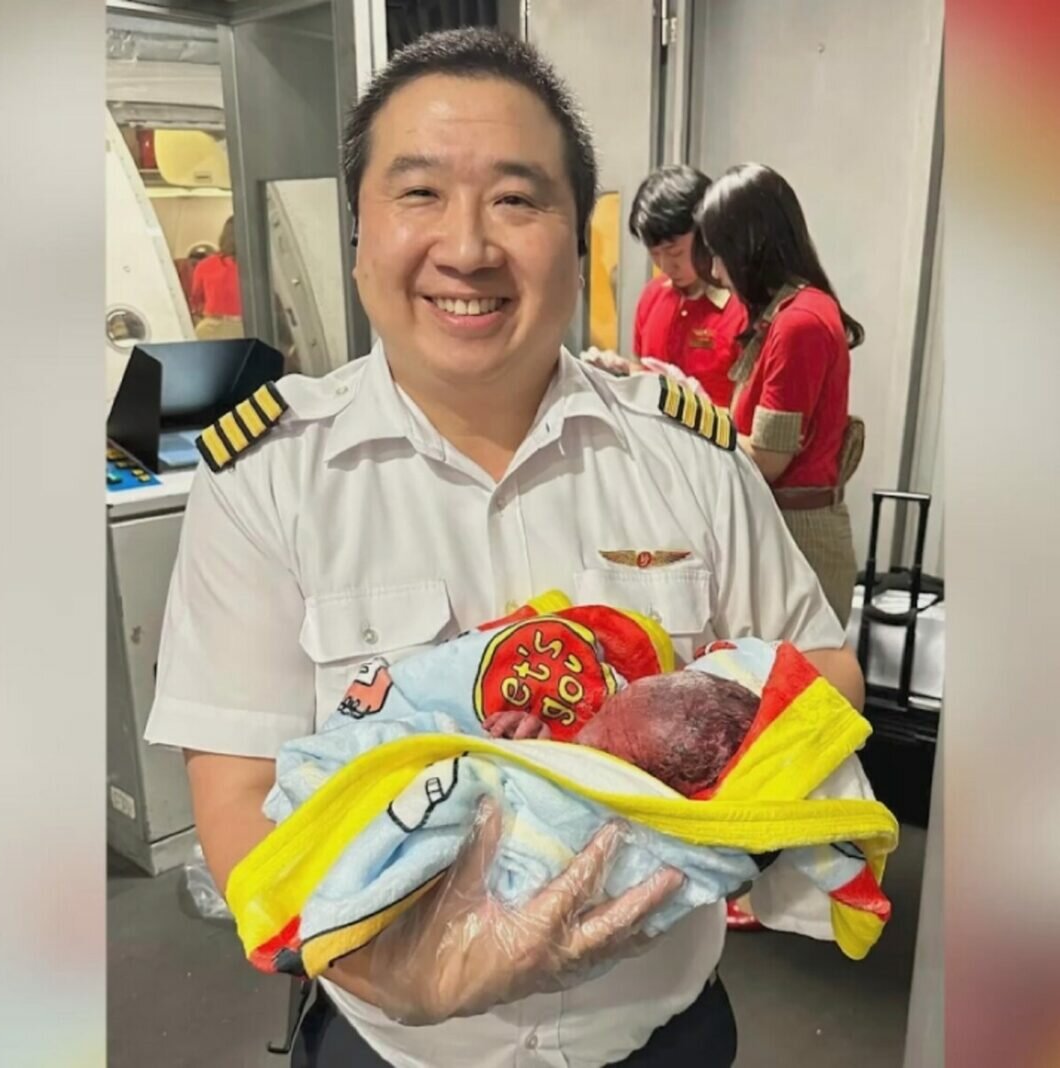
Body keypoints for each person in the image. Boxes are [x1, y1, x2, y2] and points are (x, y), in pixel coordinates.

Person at [146, 28, 866, 1068]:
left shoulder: (691, 458)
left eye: (518, 199)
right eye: (420, 193)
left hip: (662, 1039)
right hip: (390, 1047)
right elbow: (240, 802)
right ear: (358, 236)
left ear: (578, 245)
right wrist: (402, 974)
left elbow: (823, 674)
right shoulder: (266, 479)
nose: (469, 247)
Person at [696, 163, 865, 628]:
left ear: (751, 245)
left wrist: (694, 434)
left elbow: (770, 458)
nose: (716, 271)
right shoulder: (789, 313)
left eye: (719, 254)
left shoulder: (799, 323)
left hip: (799, 540)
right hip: (783, 531)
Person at [628, 165, 747, 407]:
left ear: (707, 234)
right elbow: (639, 370)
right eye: (654, 254)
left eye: (675, 252)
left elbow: (752, 420)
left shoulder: (743, 307)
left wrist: (698, 409)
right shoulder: (652, 296)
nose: (665, 266)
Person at [190, 214, 243, 339]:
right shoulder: (255, 267)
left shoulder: (205, 265)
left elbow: (196, 300)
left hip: (211, 328)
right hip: (244, 328)